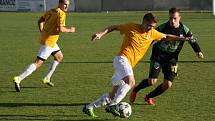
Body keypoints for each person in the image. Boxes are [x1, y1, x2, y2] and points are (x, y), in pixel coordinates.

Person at [83, 12, 194, 117]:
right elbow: (113, 27)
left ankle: (89, 107)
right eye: (149, 25)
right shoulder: (131, 27)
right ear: (143, 22)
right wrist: (100, 34)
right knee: (131, 82)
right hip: (121, 59)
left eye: (153, 26)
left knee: (113, 94)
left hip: (127, 65)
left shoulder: (152, 33)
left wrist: (183, 38)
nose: (151, 28)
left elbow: (166, 36)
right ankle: (112, 106)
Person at [130, 8, 204, 106]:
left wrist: (198, 51)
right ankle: (136, 90)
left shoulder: (184, 29)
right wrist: (141, 48)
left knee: (167, 84)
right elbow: (151, 38)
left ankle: (149, 97)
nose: (172, 21)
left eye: (175, 18)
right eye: (170, 18)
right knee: (152, 81)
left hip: (172, 59)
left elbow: (192, 40)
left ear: (179, 18)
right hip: (158, 56)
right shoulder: (162, 28)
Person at [13, 0, 75, 92]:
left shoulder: (51, 11)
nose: (66, 6)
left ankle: (47, 78)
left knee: (59, 56)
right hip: (49, 42)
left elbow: (40, 20)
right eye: (65, 4)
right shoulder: (61, 14)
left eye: (68, 5)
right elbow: (60, 29)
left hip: (48, 39)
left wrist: (42, 32)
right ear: (60, 3)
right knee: (38, 63)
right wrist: (71, 30)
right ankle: (19, 78)